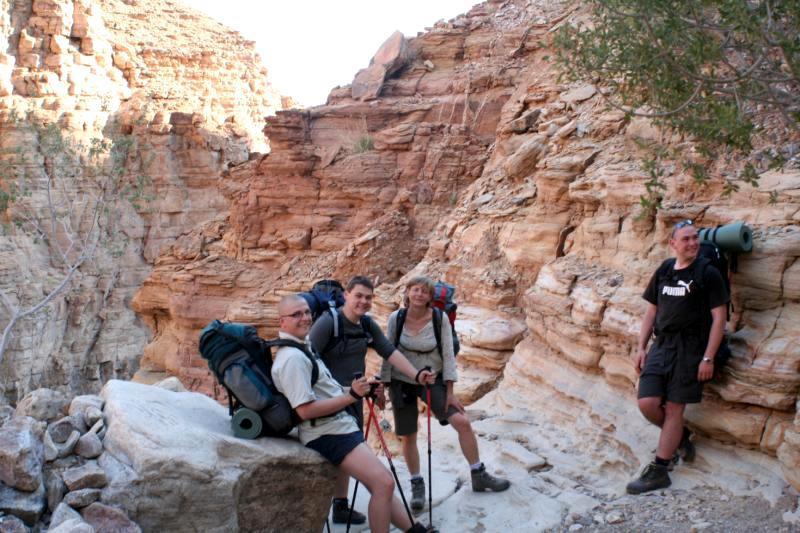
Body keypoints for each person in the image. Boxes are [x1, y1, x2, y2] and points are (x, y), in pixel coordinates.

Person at [271, 294, 429, 533]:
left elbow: (323, 391)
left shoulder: (302, 347)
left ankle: (414, 530)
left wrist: (360, 390)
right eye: (296, 314)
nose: (305, 318)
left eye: (306, 312)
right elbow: (304, 410)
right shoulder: (292, 358)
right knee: (384, 483)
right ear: (282, 321)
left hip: (337, 426)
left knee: (380, 484)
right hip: (327, 433)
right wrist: (351, 396)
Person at [309, 275, 436, 525]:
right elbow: (308, 362)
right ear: (346, 295)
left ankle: (340, 505)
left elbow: (389, 352)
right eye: (358, 296)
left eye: (368, 298)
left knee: (346, 456)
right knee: (365, 467)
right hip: (330, 404)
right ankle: (408, 526)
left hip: (353, 399)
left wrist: (416, 375)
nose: (363, 302)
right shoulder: (328, 323)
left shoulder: (366, 325)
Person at [380, 276, 510, 511]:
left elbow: (449, 356)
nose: (419, 294)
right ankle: (417, 484)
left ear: (430, 297)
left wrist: (450, 392)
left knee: (462, 422)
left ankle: (478, 474)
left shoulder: (439, 319)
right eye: (415, 289)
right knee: (408, 435)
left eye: (424, 291)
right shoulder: (396, 318)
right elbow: (388, 352)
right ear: (407, 292)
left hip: (433, 380)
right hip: (402, 382)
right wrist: (384, 386)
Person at [627, 219, 729, 494]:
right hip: (662, 345)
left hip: (691, 348)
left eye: (695, 237)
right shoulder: (665, 269)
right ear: (672, 243)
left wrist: (708, 358)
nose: (693, 243)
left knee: (674, 408)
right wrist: (641, 347)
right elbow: (651, 311)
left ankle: (660, 469)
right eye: (686, 239)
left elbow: (719, 318)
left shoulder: (708, 273)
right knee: (647, 403)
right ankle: (680, 437)